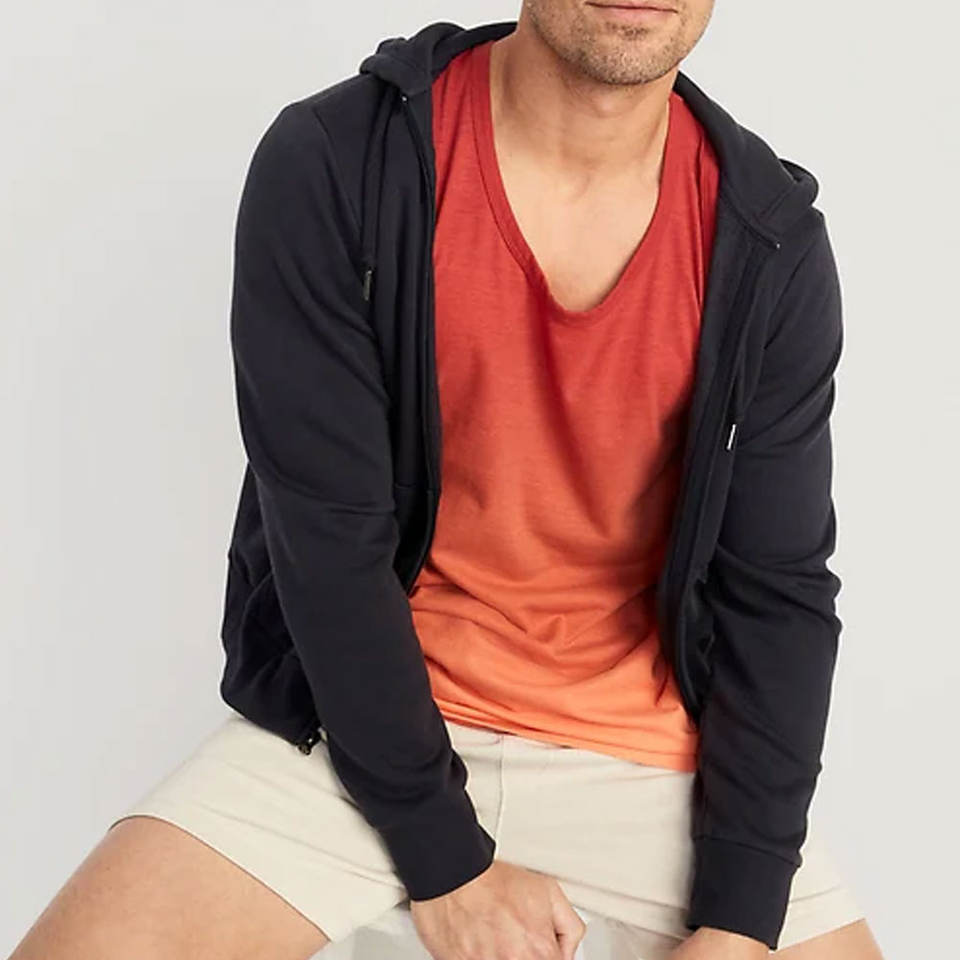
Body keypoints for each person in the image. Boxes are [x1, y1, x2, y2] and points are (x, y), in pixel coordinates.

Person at [9, 5, 885, 960]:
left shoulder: (766, 237)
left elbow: (778, 590)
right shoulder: (340, 159)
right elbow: (328, 546)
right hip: (358, 731)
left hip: (644, 755)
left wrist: (741, 922)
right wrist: (447, 864)